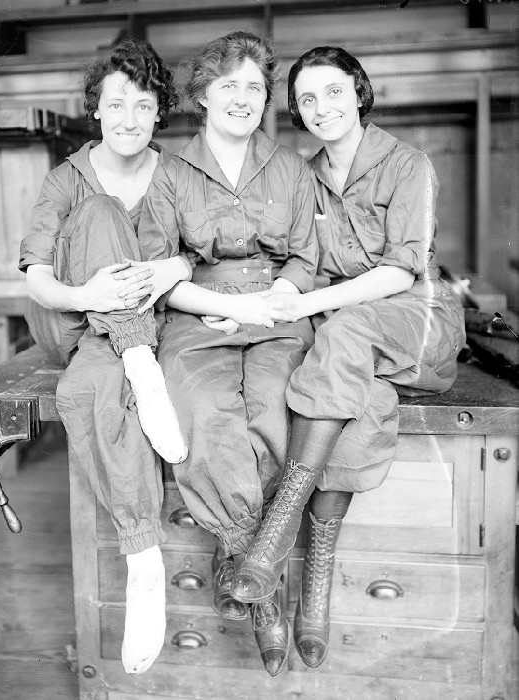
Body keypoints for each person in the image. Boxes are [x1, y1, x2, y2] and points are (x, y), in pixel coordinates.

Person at [231, 45, 466, 669]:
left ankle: (276, 531)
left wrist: (315, 306)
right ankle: (315, 592)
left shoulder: (407, 163)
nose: (320, 107)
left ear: (359, 93)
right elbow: (300, 265)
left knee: (343, 337)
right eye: (306, 99)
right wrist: (267, 303)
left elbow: (399, 271)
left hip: (417, 322)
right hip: (346, 334)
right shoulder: (304, 176)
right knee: (343, 390)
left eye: (333, 91)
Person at [137, 31, 318, 676]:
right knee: (209, 412)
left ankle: (248, 568)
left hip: (277, 314)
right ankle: (259, 575)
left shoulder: (292, 167)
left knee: (275, 406)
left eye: (253, 85)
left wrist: (280, 296)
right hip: (199, 319)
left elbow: (305, 256)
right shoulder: (170, 172)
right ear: (202, 95)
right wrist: (220, 305)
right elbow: (161, 269)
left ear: (265, 96)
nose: (242, 96)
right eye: (227, 85)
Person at [18, 37, 191, 675]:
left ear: (157, 113)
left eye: (143, 106)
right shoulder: (69, 177)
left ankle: (144, 567)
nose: (128, 118)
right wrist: (83, 291)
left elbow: (199, 251)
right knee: (98, 212)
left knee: (82, 393)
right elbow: (36, 275)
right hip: (76, 319)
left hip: (155, 324)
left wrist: (173, 263)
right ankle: (140, 364)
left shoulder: (174, 173)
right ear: (96, 108)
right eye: (116, 104)